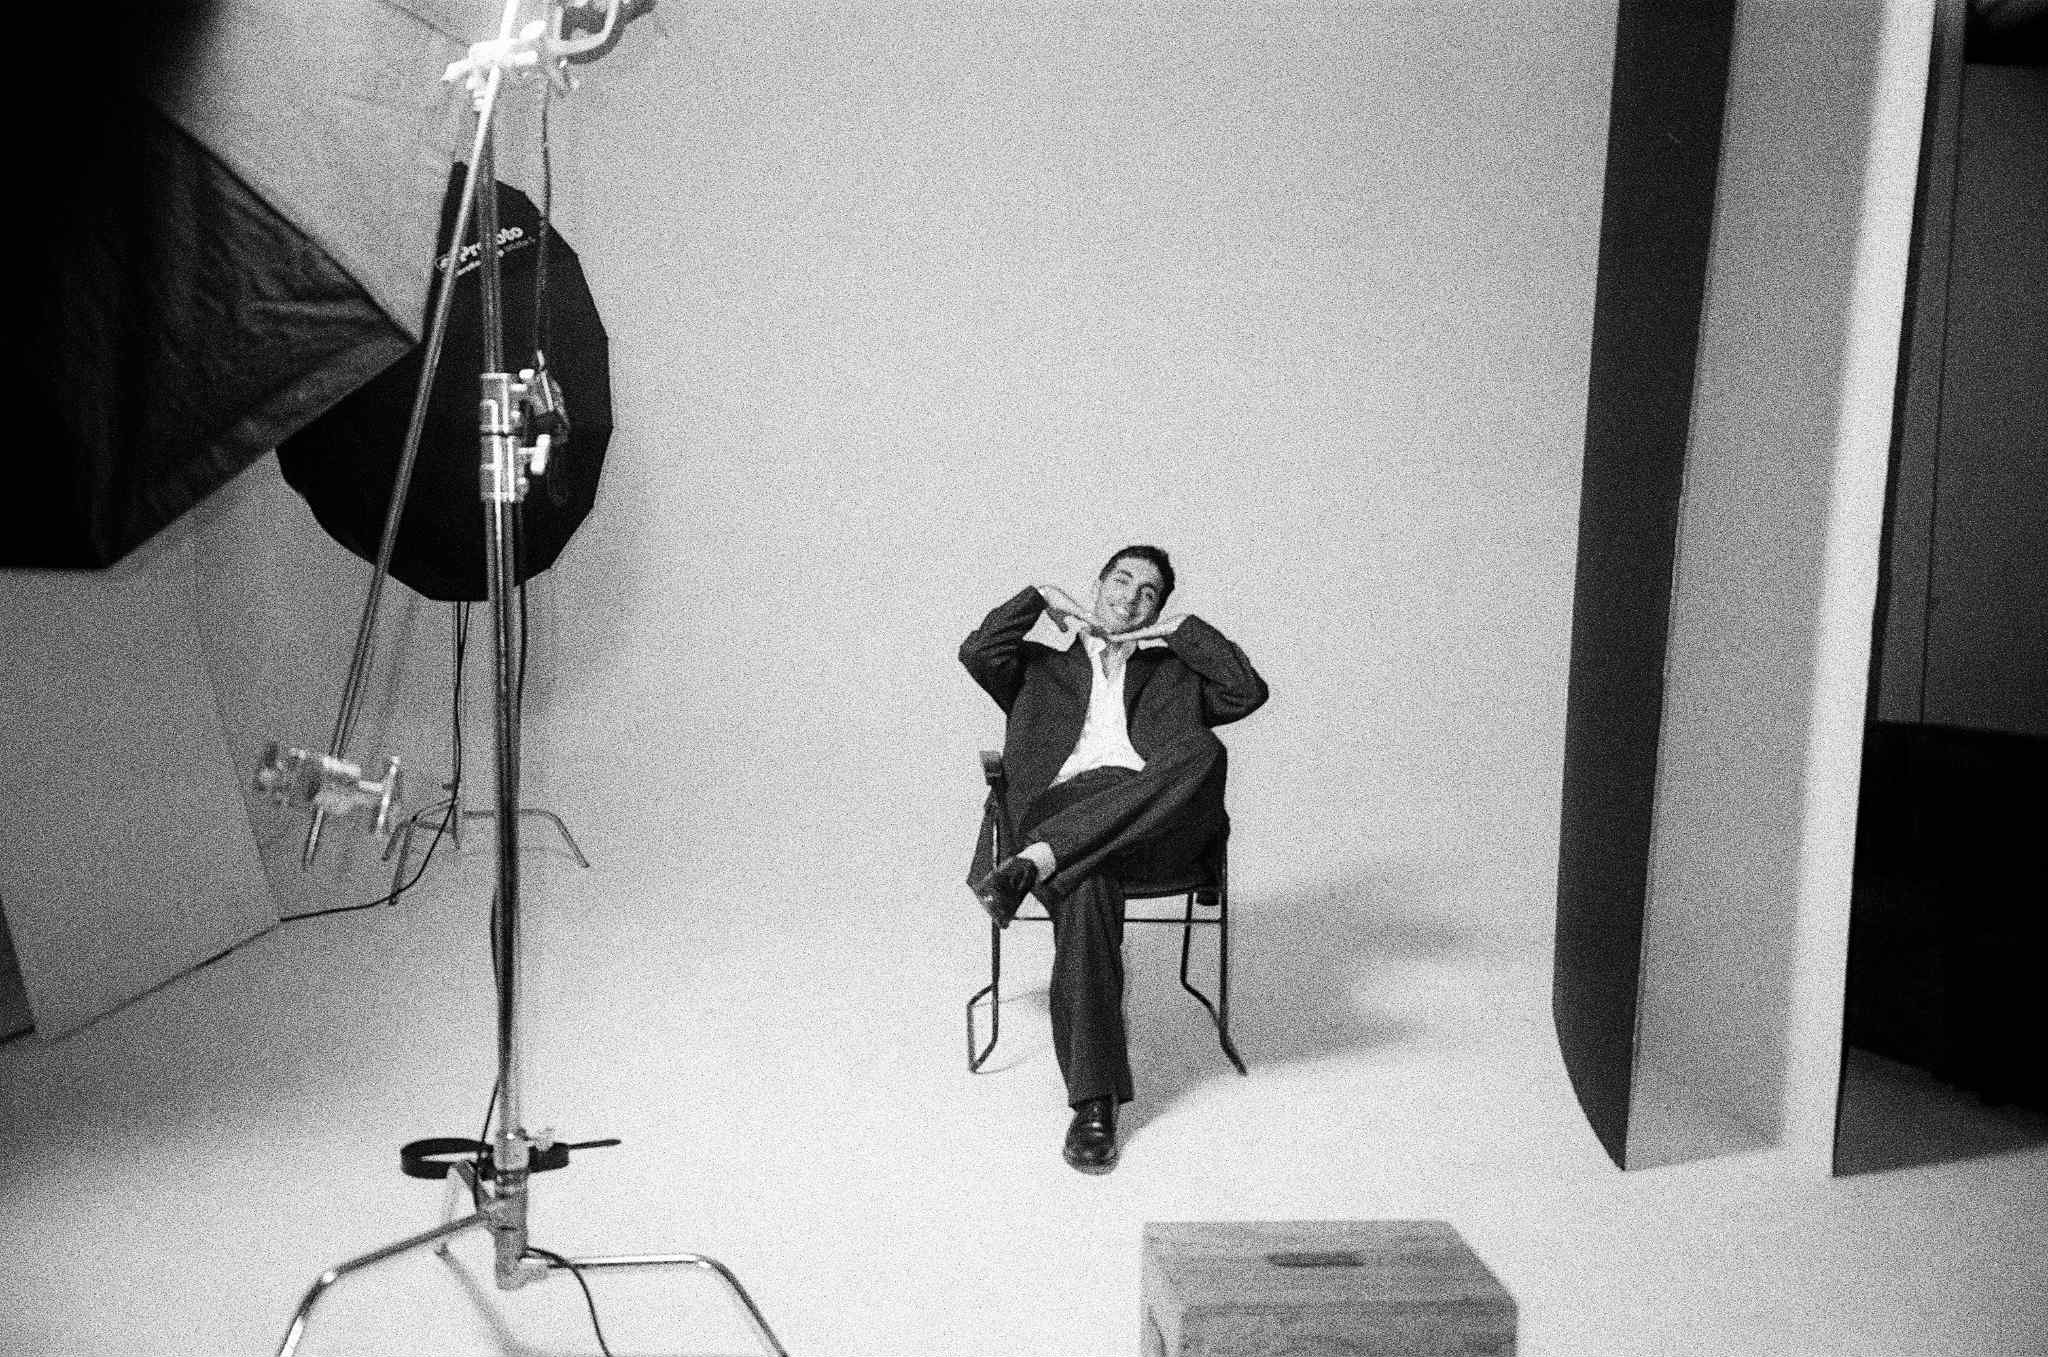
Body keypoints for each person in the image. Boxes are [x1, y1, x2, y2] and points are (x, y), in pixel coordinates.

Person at [959, 545, 1268, 1173]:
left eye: (1148, 593)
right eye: (1120, 581)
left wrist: (1179, 635)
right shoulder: (1038, 669)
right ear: (1097, 585)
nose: (1128, 597)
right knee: (1091, 883)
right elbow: (978, 651)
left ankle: (1035, 864)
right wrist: (1040, 596)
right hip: (1066, 811)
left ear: (1159, 608)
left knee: (1204, 753)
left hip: (1155, 827)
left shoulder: (1174, 673)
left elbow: (1247, 690)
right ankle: (1095, 1106)